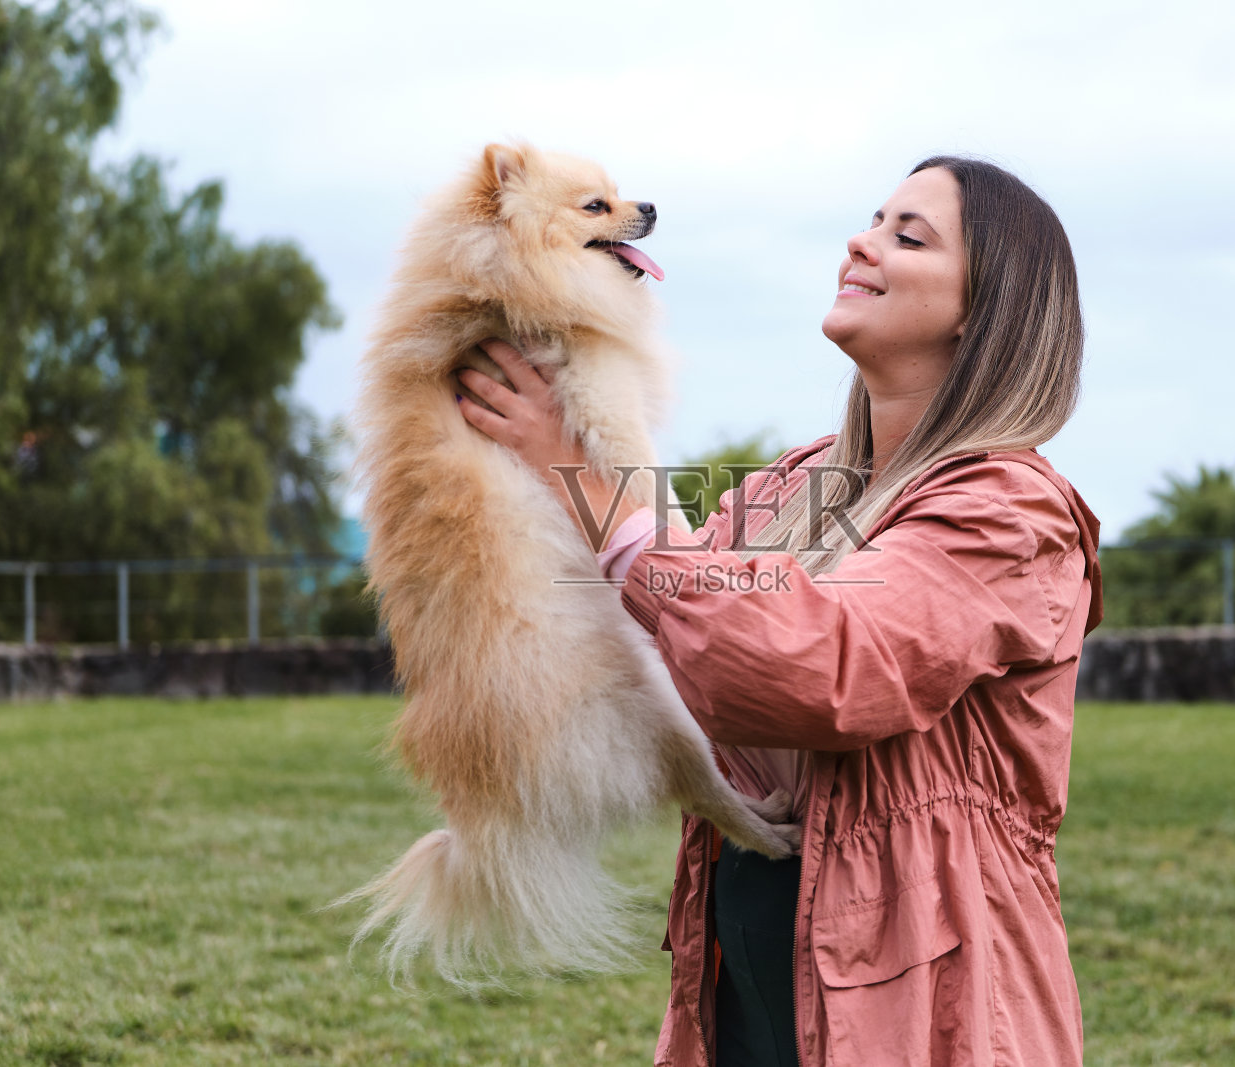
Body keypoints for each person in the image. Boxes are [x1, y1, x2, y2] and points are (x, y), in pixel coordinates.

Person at [452, 155, 1103, 1067]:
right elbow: (669, 610)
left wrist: (587, 481)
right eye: (873, 219)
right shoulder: (796, 484)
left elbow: (822, 669)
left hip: (925, 1010)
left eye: (906, 235)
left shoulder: (1008, 511)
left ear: (982, 308)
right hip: (750, 986)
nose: (861, 240)